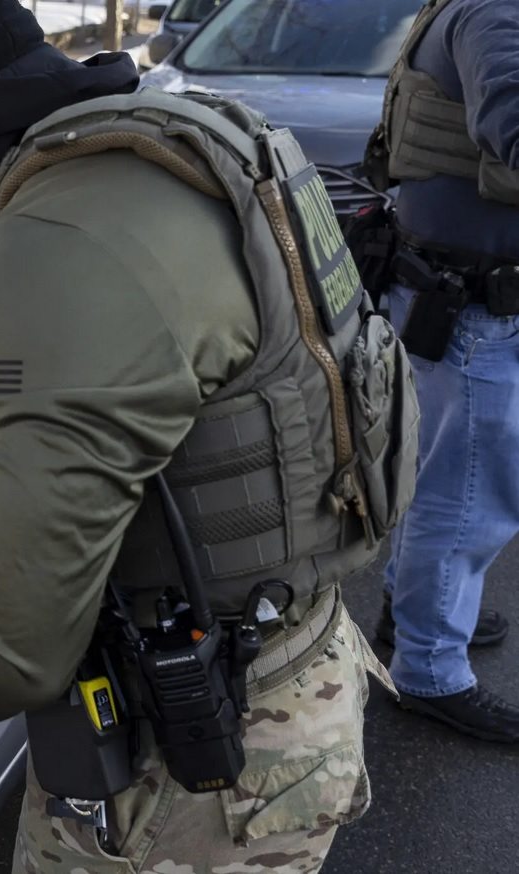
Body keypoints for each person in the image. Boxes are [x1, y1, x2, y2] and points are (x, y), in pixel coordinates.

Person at [0, 0, 418, 871]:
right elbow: (77, 421)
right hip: (287, 664)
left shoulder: (56, 244)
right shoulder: (175, 147)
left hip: (193, 768)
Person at [363, 0, 519, 741]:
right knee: (466, 499)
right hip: (475, 306)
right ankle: (428, 668)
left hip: (455, 297)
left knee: (441, 481)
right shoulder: (499, 14)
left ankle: (414, 610)